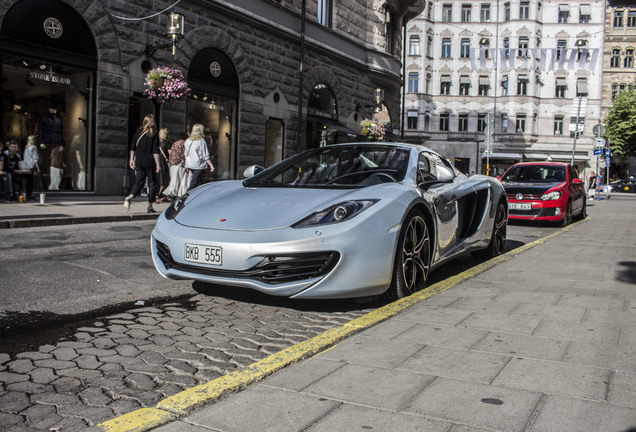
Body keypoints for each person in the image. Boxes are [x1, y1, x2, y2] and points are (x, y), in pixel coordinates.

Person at [123, 114, 160, 213]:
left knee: (139, 182)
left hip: (139, 161)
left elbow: (133, 148)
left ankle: (130, 196)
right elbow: (155, 151)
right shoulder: (154, 134)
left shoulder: (138, 132)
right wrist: (158, 164)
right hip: (149, 162)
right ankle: (150, 206)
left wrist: (131, 160)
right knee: (152, 183)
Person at [184, 124, 214, 190]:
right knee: (194, 182)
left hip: (190, 164)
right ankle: (186, 196)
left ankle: (203, 194)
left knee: (200, 182)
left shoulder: (188, 141)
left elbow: (186, 154)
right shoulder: (201, 141)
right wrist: (211, 165)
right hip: (199, 165)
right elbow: (205, 155)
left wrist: (186, 165)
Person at [163, 131, 188, 199]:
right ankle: (174, 193)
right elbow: (185, 155)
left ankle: (171, 192)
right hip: (180, 165)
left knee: (173, 180)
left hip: (172, 164)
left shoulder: (175, 143)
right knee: (180, 181)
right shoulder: (185, 144)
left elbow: (171, 154)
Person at [156, 128, 171, 202]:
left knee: (158, 179)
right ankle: (161, 196)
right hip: (163, 163)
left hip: (157, 162)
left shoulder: (157, 143)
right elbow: (170, 153)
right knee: (165, 179)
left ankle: (156, 196)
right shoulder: (167, 143)